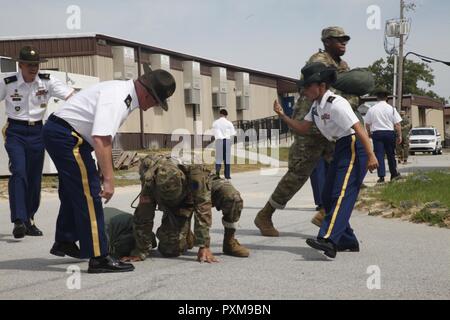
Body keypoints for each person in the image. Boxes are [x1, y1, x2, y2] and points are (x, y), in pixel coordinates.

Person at [42, 64, 176, 273]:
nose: (153, 106)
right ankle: (99, 257)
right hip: (66, 136)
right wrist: (109, 180)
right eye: (156, 101)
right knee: (90, 193)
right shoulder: (119, 97)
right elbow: (102, 138)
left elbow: (97, 135)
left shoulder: (122, 93)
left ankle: (65, 239)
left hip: (66, 134)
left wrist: (98, 165)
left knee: (74, 190)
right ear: (147, 92)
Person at [254, 26, 353, 236]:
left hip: (329, 126)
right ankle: (265, 215)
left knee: (343, 168)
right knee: (298, 174)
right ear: (327, 42)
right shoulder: (318, 61)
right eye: (338, 40)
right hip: (309, 125)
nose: (343, 43)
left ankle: (326, 213)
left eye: (345, 39)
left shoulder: (341, 65)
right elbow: (320, 89)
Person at [274, 62, 378, 258]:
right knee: (328, 196)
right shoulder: (315, 107)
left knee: (341, 194)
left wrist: (371, 155)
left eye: (308, 86)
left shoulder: (336, 103)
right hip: (341, 146)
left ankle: (328, 240)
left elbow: (358, 128)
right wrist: (282, 116)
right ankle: (348, 241)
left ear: (321, 86)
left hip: (354, 146)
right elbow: (303, 128)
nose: (304, 90)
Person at [0, 46, 74, 239]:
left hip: (38, 132)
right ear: (20, 65)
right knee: (19, 171)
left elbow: (71, 96)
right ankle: (18, 219)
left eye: (36, 65)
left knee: (34, 177)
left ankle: (29, 219)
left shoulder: (47, 82)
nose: (33, 68)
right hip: (15, 131)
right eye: (29, 65)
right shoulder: (8, 83)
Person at [120, 153, 249, 263]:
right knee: (169, 250)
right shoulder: (149, 178)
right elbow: (144, 214)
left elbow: (202, 206)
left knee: (232, 198)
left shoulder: (195, 172)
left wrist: (204, 245)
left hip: (202, 189)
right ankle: (185, 233)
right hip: (179, 205)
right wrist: (140, 250)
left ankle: (230, 242)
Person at [364, 87, 402, 183]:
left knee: (379, 155)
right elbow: (397, 124)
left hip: (377, 133)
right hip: (389, 133)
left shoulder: (372, 109)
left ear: (377, 97)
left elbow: (367, 124)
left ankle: (381, 176)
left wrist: (368, 133)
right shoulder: (392, 109)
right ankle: (394, 174)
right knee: (391, 154)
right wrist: (399, 135)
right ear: (386, 98)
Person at [212, 109, 236, 179]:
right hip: (227, 141)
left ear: (220, 114)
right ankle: (227, 175)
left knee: (218, 159)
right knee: (227, 159)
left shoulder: (215, 123)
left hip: (219, 141)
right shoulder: (229, 123)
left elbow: (213, 132)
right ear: (226, 115)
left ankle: (217, 174)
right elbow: (232, 134)